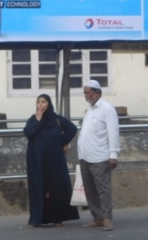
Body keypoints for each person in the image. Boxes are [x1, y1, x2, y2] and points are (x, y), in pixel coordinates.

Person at [23, 94, 80, 227]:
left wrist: (61, 142)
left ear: (49, 104)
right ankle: (38, 218)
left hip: (55, 159)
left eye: (44, 102)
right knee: (38, 186)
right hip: (37, 160)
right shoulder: (33, 120)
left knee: (56, 187)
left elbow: (72, 129)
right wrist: (38, 120)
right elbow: (28, 133)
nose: (41, 104)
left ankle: (58, 218)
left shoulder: (57, 119)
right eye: (39, 102)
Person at [77, 79, 120, 231]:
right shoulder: (90, 110)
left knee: (103, 189)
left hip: (100, 157)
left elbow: (113, 133)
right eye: (85, 93)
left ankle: (107, 218)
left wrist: (113, 155)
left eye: (87, 92)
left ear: (96, 92)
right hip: (86, 156)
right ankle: (98, 217)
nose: (85, 96)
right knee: (90, 190)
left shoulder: (107, 109)